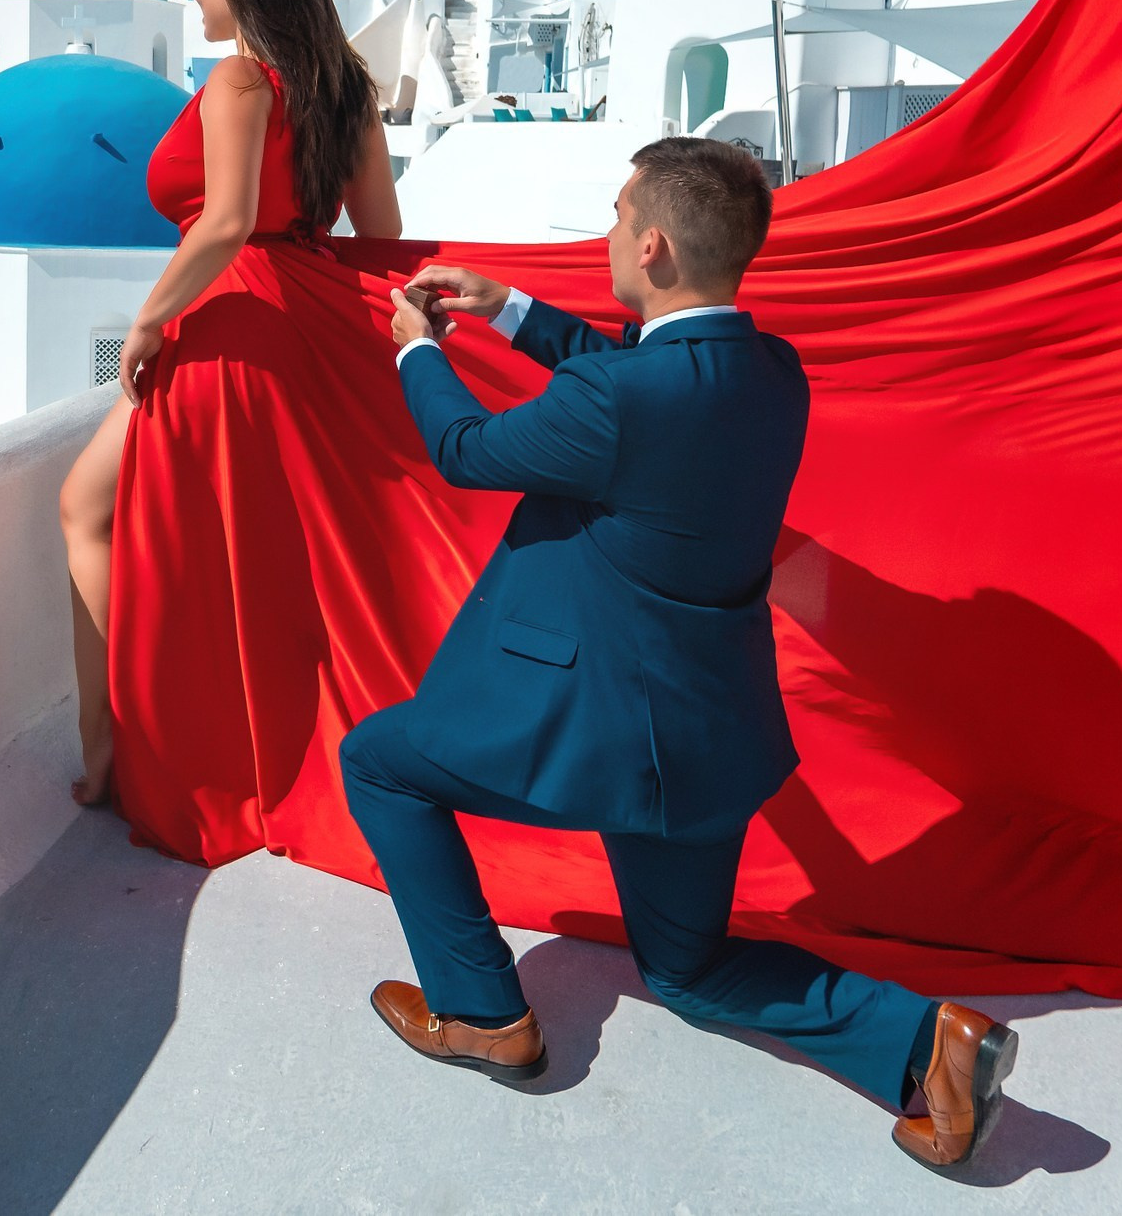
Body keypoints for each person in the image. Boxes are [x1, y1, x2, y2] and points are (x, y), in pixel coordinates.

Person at [343, 137, 1018, 1171]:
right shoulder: (771, 372)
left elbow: (465, 450)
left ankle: (481, 1013)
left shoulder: (623, 400)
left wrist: (416, 352)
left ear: (652, 244)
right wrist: (510, 309)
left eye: (618, 217)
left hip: (599, 733)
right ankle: (929, 1043)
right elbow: (638, 379)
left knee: (379, 762)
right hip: (707, 735)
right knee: (690, 970)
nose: (610, 232)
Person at [57, 0, 400, 806]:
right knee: (249, 551)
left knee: (85, 507)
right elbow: (381, 242)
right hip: (302, 325)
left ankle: (112, 749)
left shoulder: (240, 79)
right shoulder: (349, 94)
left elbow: (227, 221)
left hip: (227, 316)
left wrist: (149, 322)